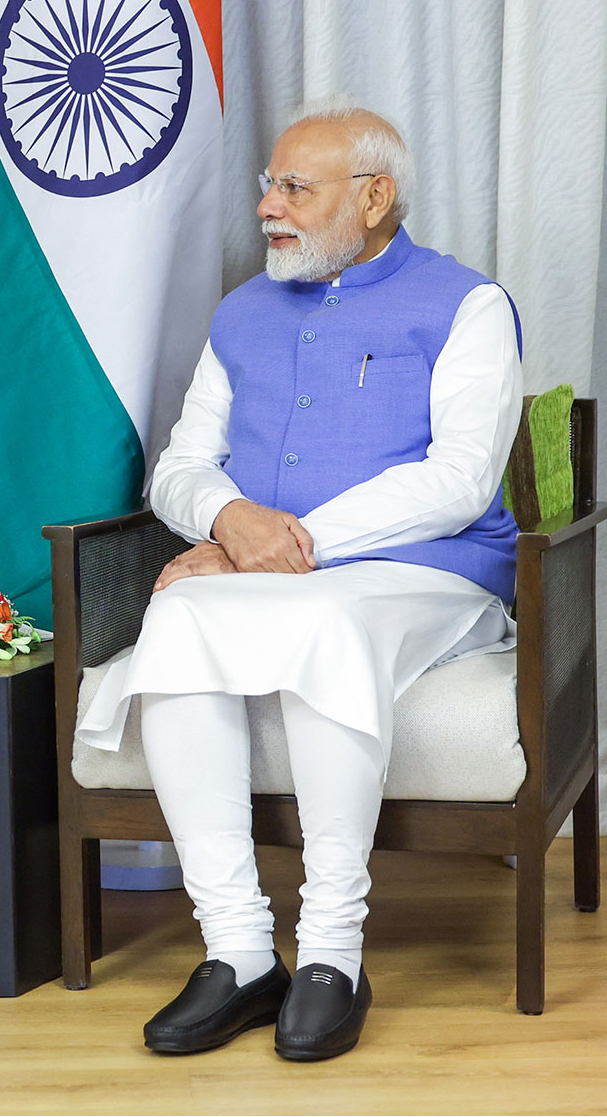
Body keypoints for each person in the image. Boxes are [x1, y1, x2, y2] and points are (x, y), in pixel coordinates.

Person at [76, 100, 523, 1061]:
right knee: (180, 617)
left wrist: (286, 542)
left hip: (426, 571)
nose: (269, 207)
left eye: (295, 188)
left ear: (374, 197)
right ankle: (239, 952)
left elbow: (460, 480)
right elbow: (182, 463)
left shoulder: (468, 303)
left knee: (322, 619)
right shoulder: (241, 312)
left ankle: (331, 953)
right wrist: (226, 523)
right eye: (268, 186)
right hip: (270, 574)